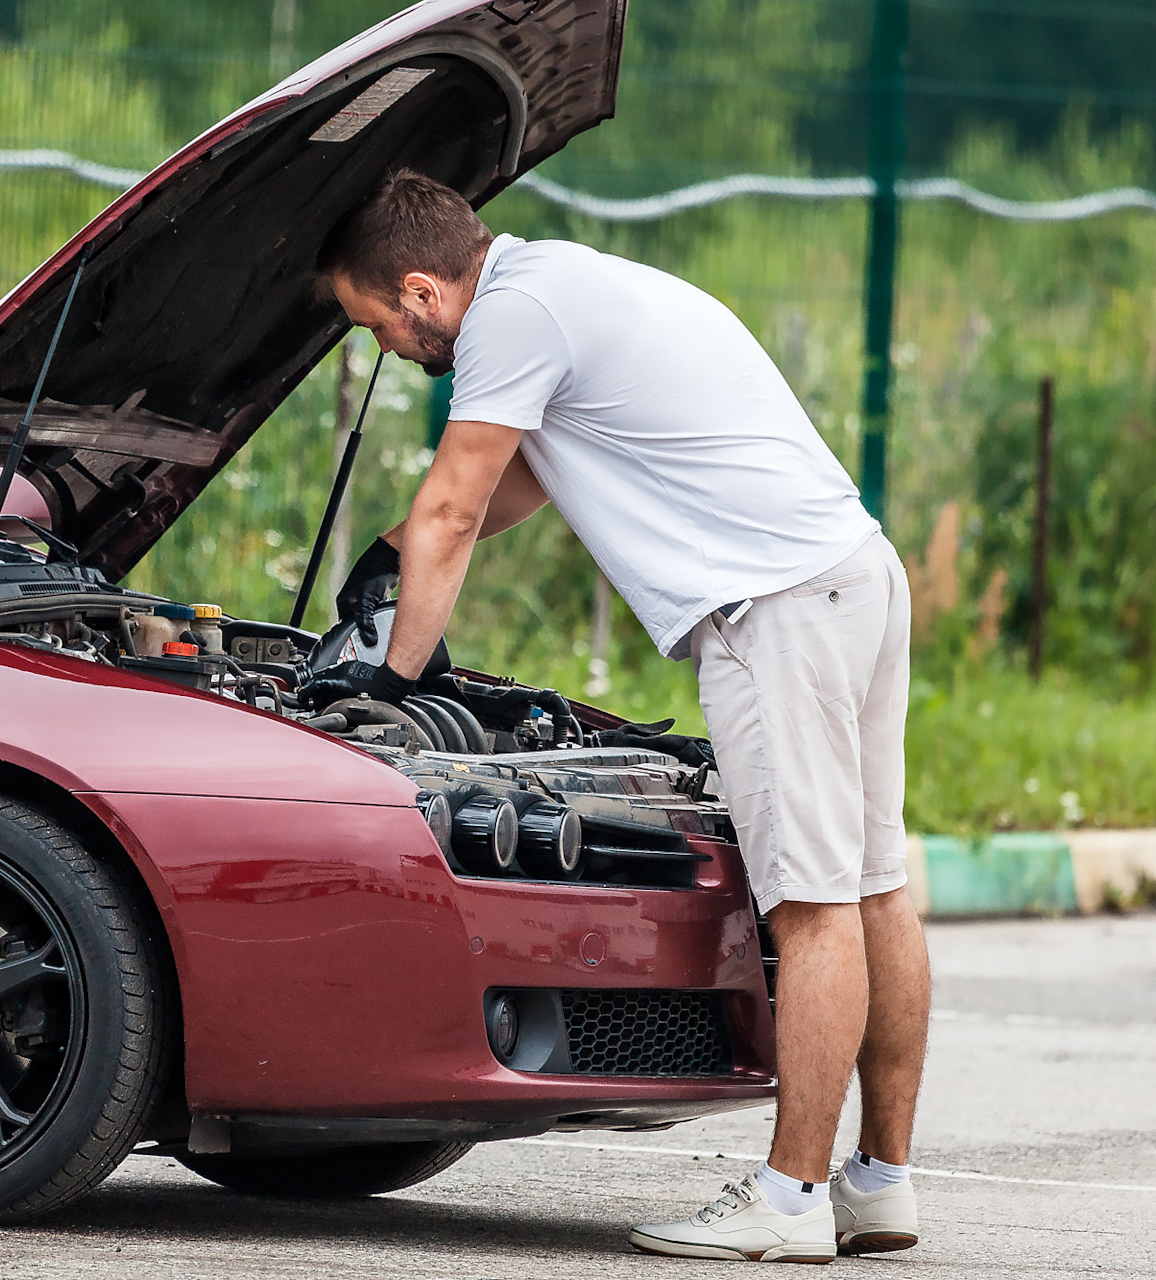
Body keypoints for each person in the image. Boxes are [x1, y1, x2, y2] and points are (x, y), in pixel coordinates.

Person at [300, 170, 928, 1264]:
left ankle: (789, 1200)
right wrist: (398, 557)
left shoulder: (509, 321)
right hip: (852, 575)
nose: (391, 352)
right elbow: (526, 483)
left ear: (420, 291)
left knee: (814, 905)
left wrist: (388, 681)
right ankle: (878, 1179)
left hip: (773, 610)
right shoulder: (563, 281)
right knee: (873, 884)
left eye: (379, 329)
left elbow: (453, 504)